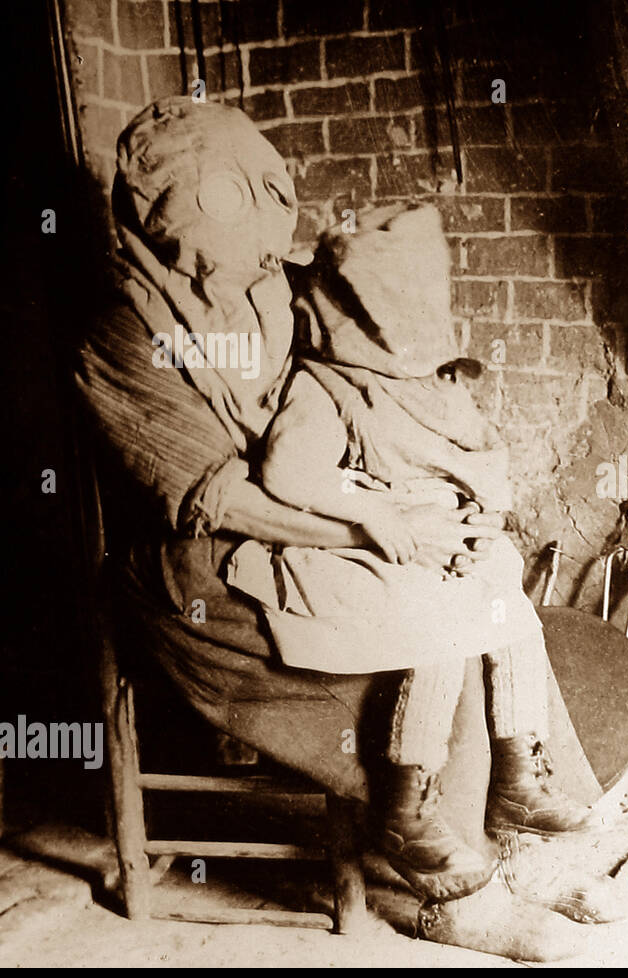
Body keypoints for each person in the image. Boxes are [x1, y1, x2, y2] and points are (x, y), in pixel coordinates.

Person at [74, 95, 610, 961]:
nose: (253, 226)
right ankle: (450, 890)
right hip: (192, 572)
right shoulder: (122, 330)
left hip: (313, 511)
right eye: (221, 199)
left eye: (261, 189)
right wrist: (374, 527)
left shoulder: (276, 285)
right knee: (432, 620)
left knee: (474, 573)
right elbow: (218, 498)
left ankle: (513, 840)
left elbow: (372, 371)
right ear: (160, 204)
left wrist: (431, 486)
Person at [222, 203, 593, 899]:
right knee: (439, 613)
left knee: (500, 579)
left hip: (436, 532)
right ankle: (405, 801)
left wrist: (483, 516)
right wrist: (368, 514)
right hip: (351, 541)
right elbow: (287, 475)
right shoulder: (325, 383)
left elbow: (480, 456)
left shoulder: (434, 381)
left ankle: (517, 773)